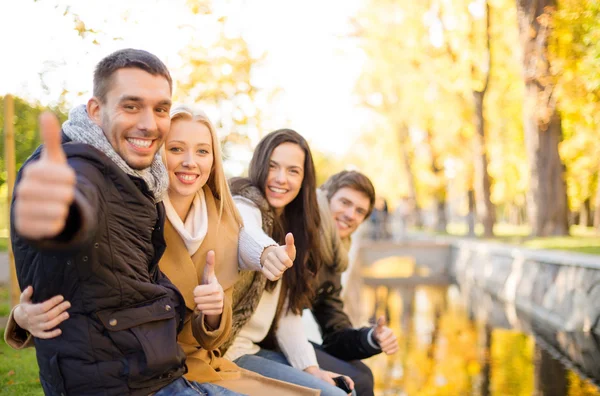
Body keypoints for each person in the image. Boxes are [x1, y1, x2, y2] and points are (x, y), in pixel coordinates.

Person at [6, 105, 316, 395]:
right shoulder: (129, 215)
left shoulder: (226, 221)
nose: (190, 162)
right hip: (148, 372)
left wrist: (215, 313)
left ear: (213, 160)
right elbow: (81, 294)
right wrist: (21, 316)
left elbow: (217, 333)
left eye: (202, 151)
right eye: (176, 148)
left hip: (204, 365)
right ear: (156, 152)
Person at [7, 48, 221, 395]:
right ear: (96, 110)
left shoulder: (139, 178)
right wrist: (59, 214)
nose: (149, 124)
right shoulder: (80, 170)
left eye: (161, 109)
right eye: (131, 106)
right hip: (119, 384)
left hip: (151, 370)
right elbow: (78, 209)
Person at [222, 129, 354, 396]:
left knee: (345, 388)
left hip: (254, 348)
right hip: (228, 353)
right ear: (259, 165)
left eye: (293, 171)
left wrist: (311, 369)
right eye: (273, 166)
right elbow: (248, 232)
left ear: (304, 179)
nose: (281, 179)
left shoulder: (295, 227)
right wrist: (267, 253)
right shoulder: (243, 202)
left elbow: (288, 314)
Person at [310, 171, 399, 396]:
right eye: (345, 202)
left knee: (360, 375)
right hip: (264, 341)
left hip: (282, 338)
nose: (350, 214)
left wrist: (372, 338)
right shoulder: (304, 233)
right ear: (326, 198)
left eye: (360, 211)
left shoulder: (334, 255)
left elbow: (334, 331)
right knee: (358, 380)